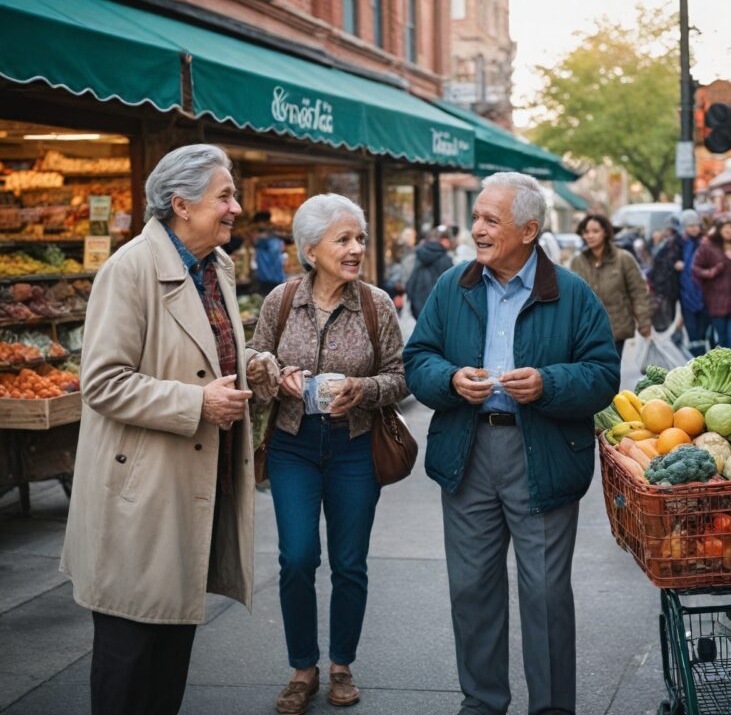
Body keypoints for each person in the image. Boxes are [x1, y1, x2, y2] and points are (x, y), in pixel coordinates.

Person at [403, 172, 620, 715]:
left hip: (541, 457)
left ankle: (551, 709)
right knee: (471, 590)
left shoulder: (571, 293)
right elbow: (417, 360)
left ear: (528, 230)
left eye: (489, 220)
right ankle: (481, 703)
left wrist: (548, 384)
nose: (476, 228)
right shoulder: (453, 286)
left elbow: (603, 375)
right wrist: (450, 379)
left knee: (545, 596)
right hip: (467, 453)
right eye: (476, 217)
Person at [59, 144, 255, 715]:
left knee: (170, 653)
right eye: (224, 196)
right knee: (129, 660)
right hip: (139, 496)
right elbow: (101, 383)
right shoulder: (129, 269)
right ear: (181, 205)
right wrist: (197, 402)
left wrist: (254, 366)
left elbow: (204, 353)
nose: (236, 208)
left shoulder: (215, 266)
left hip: (190, 485)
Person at [245, 194, 407, 714]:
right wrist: (275, 372)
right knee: (296, 558)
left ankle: (340, 665)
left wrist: (366, 389)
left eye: (359, 238)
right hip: (292, 442)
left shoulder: (375, 304)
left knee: (349, 562)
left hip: (355, 445)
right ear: (311, 249)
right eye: (344, 239)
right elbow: (252, 355)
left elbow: (402, 376)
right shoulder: (280, 299)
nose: (356, 248)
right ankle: (302, 669)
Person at [570, 213, 652, 355]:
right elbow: (571, 296)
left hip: (616, 328)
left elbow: (638, 292)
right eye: (586, 232)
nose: (590, 236)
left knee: (610, 372)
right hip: (586, 329)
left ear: (606, 233)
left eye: (595, 231)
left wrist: (644, 322)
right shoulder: (578, 261)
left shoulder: (623, 259)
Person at [691, 217, 731, 350]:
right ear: (719, 230)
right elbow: (695, 269)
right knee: (722, 339)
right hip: (716, 300)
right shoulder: (708, 246)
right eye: (725, 227)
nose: (728, 230)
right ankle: (725, 370)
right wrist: (712, 272)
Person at [675, 209, 714, 356]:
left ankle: (703, 361)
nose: (694, 228)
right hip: (686, 295)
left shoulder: (705, 243)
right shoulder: (678, 244)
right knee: (692, 334)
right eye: (690, 226)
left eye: (696, 225)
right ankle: (696, 365)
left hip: (704, 294)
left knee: (703, 333)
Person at [405, 225, 453, 319]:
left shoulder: (419, 254)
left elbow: (410, 279)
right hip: (438, 308)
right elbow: (450, 285)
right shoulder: (445, 258)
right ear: (444, 240)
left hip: (419, 305)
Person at [252, 210, 286, 295]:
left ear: (263, 222)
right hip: (264, 276)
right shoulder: (263, 236)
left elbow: (274, 254)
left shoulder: (271, 237)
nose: (257, 225)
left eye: (258, 223)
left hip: (272, 277)